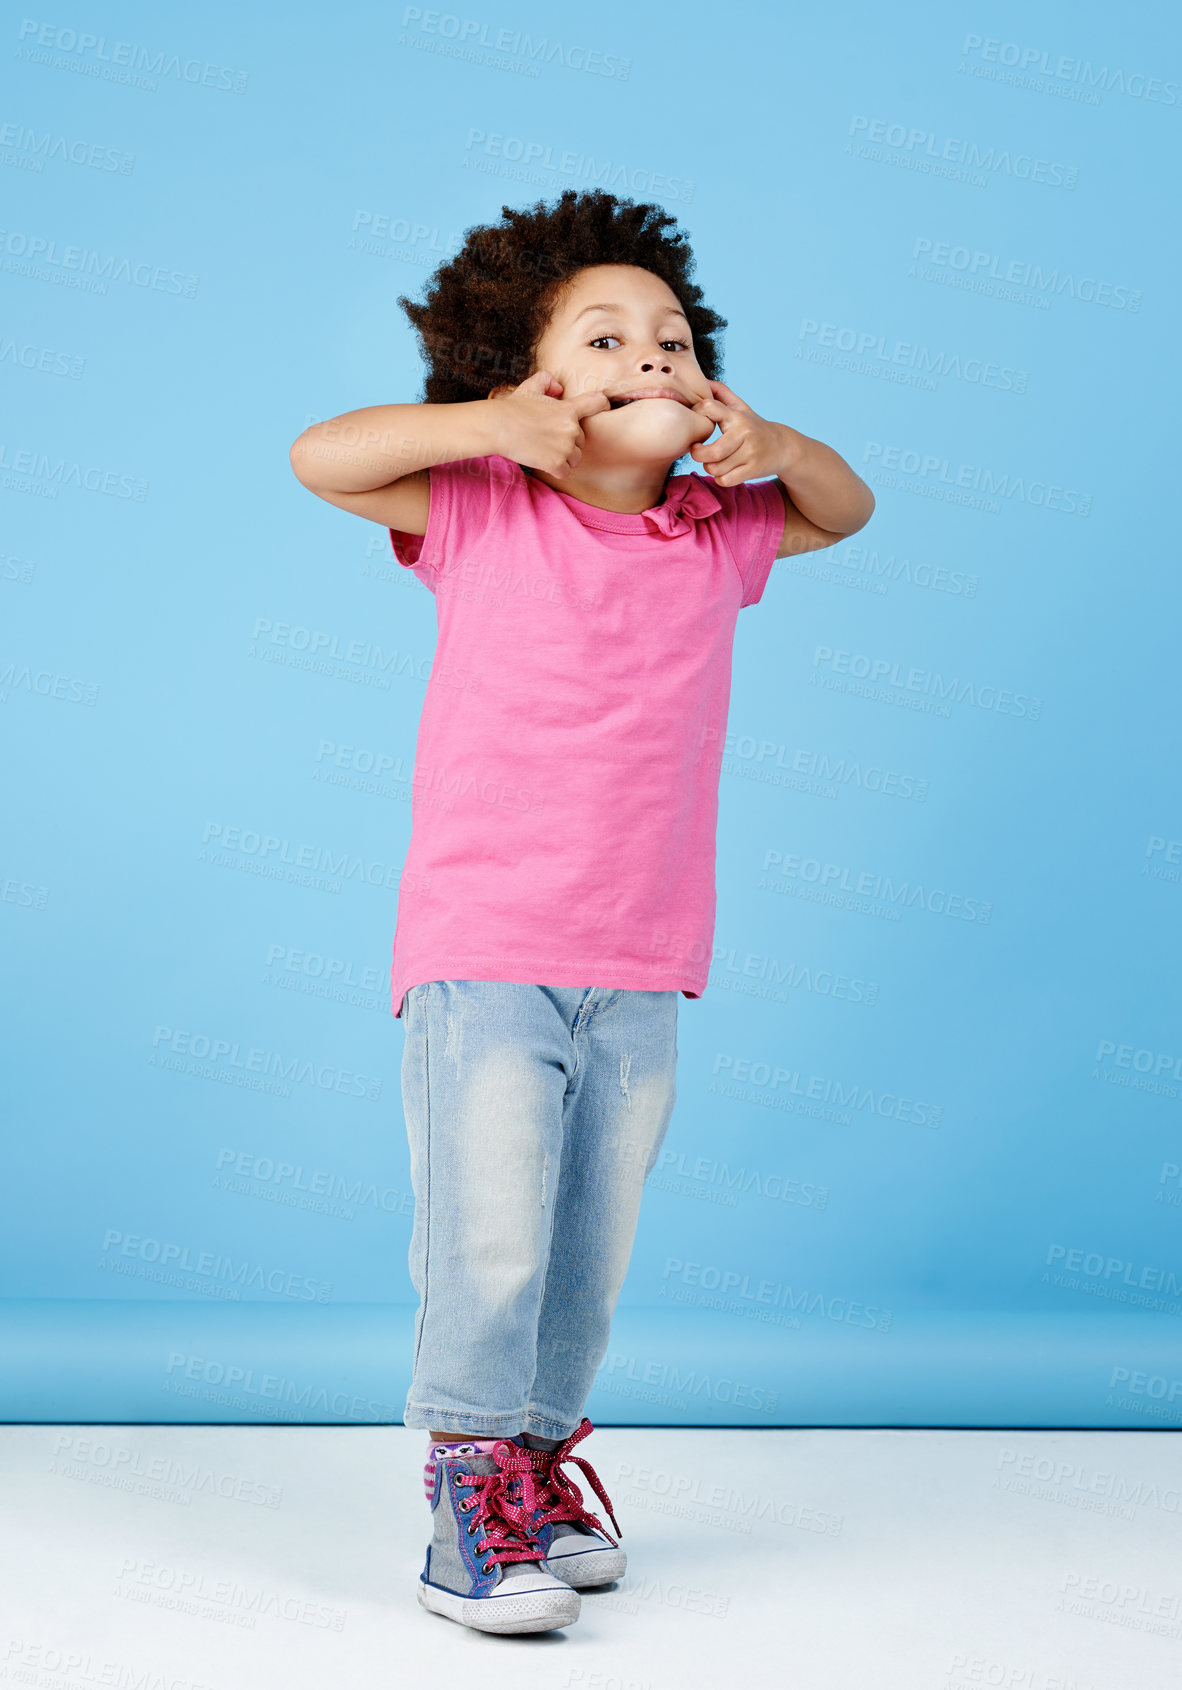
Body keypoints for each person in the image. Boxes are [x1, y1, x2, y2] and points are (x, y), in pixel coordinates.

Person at [289, 187, 875, 1635]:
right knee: (487, 1231)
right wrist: (492, 424)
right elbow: (323, 457)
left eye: (673, 340)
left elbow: (842, 510)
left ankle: (539, 1464)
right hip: (486, 950)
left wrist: (780, 448)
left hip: (642, 957)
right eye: (604, 337)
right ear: (527, 373)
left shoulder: (710, 534)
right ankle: (464, 1484)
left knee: (585, 1240)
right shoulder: (486, 509)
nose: (651, 357)